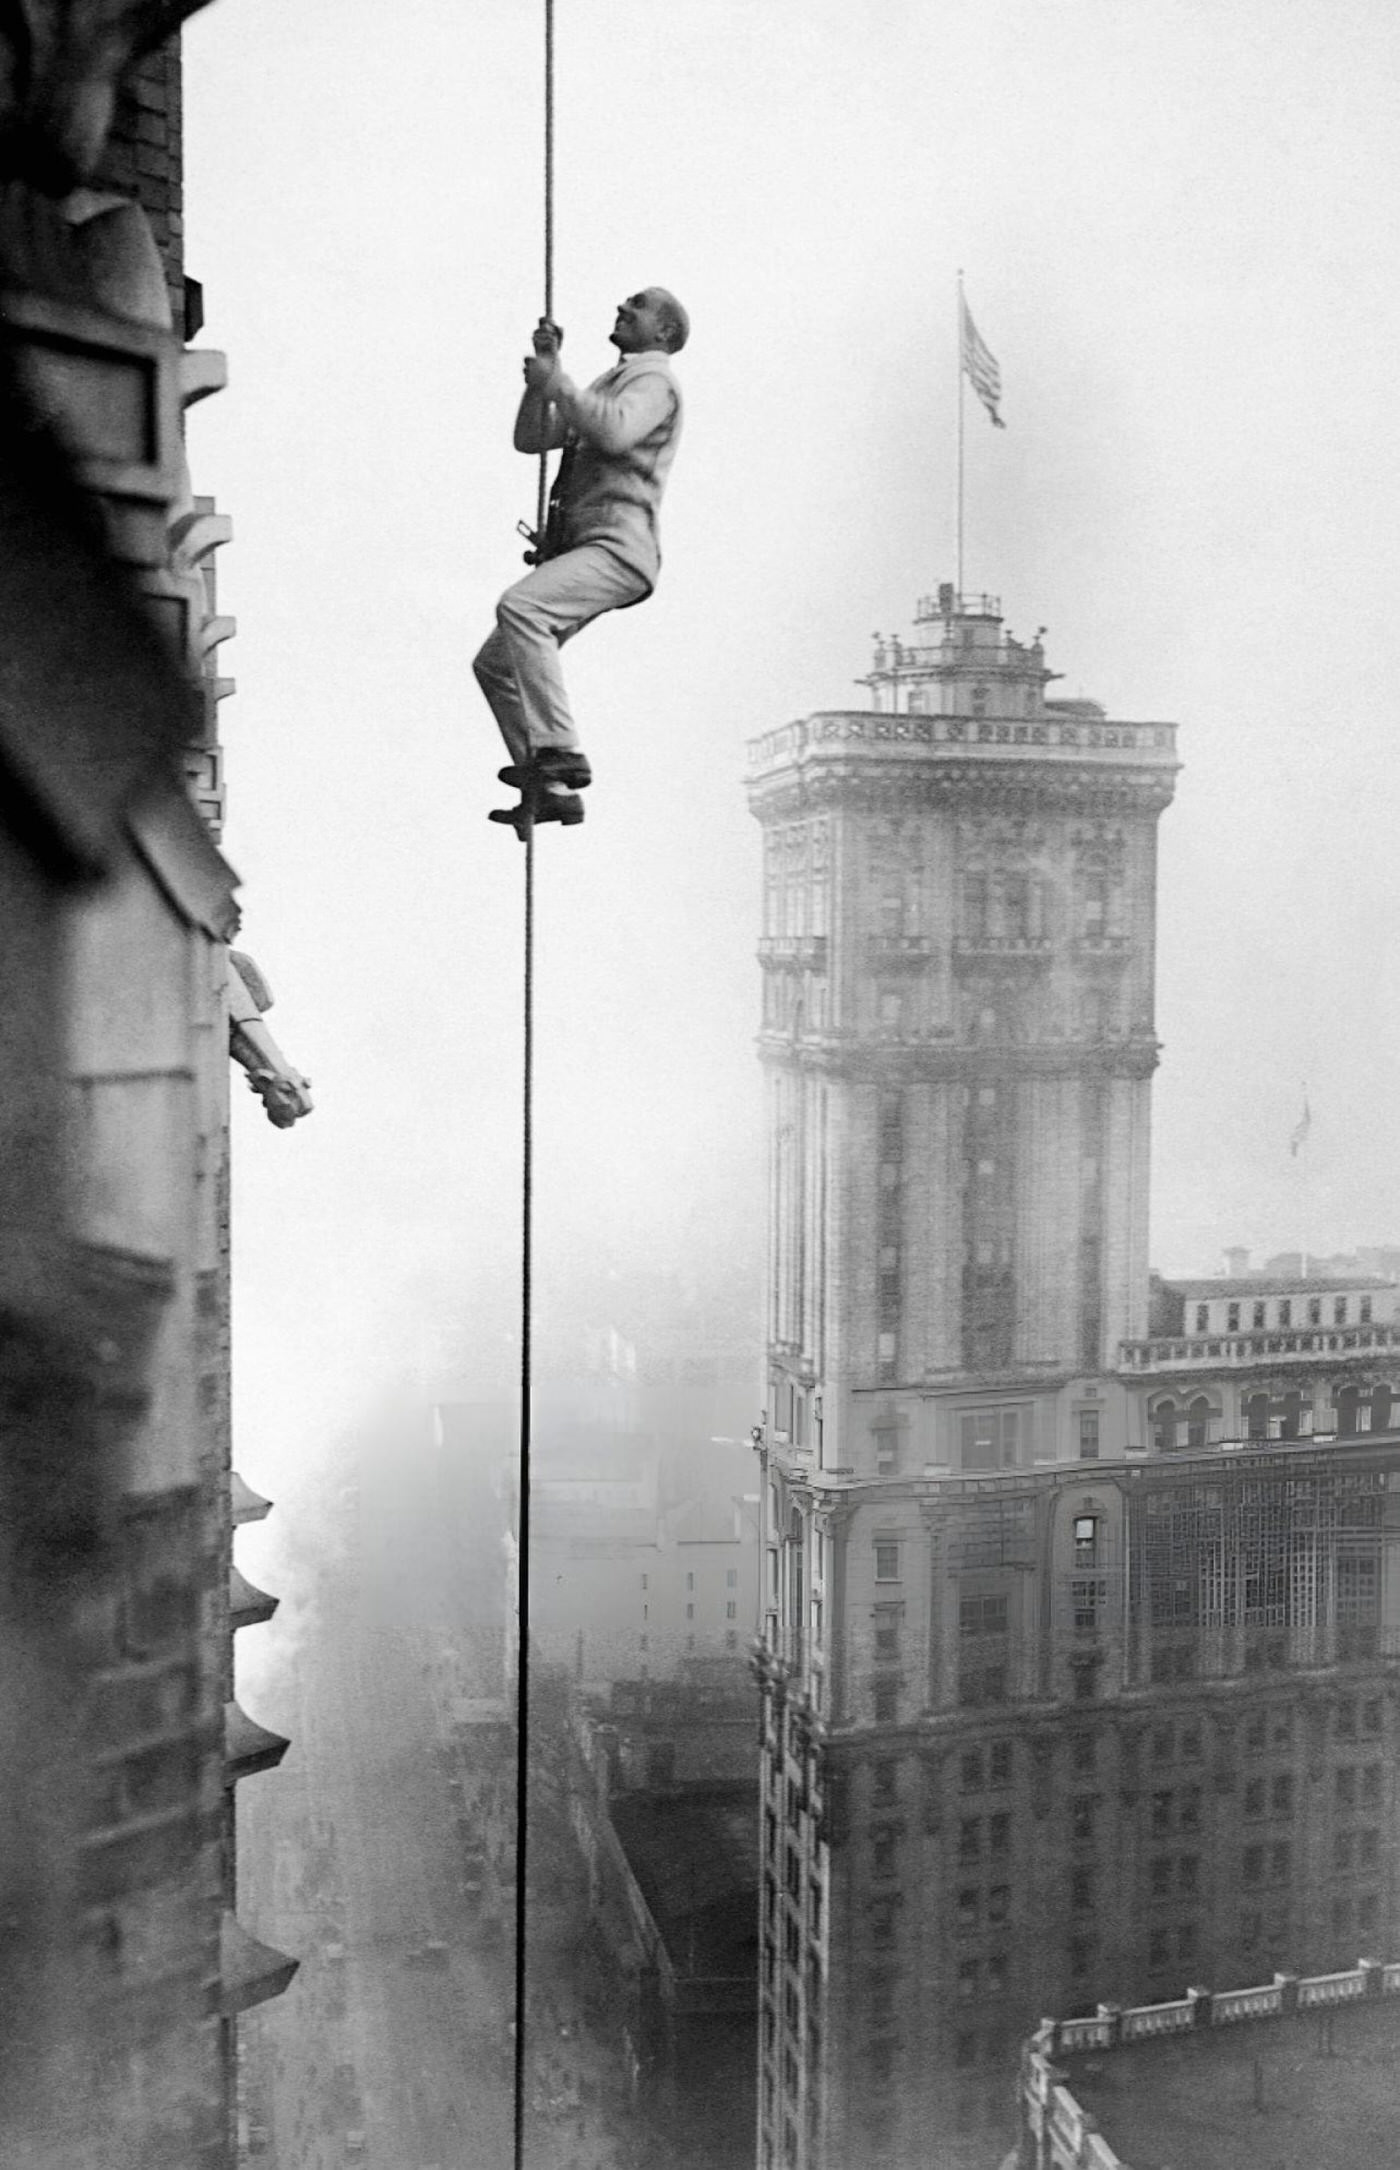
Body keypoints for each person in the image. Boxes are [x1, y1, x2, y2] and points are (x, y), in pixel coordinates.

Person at [474, 286, 688, 831]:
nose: (622, 308)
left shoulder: (654, 380)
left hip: (618, 548)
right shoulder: (611, 382)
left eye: (637, 306)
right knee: (496, 664)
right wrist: (545, 379)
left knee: (522, 608)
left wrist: (559, 383)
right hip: (595, 545)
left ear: (662, 332)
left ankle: (559, 751)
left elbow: (613, 430)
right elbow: (531, 438)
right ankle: (550, 788)